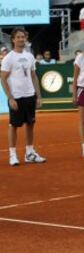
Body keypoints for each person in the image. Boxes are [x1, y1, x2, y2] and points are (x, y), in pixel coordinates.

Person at [0, 28, 46, 166]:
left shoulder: (30, 56)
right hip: (16, 97)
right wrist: (10, 98)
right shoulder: (9, 58)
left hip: (29, 95)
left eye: (23, 37)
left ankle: (29, 153)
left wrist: (38, 95)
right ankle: (13, 155)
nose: (21, 39)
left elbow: (33, 76)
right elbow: (3, 78)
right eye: (18, 37)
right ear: (13, 39)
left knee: (30, 123)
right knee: (13, 125)